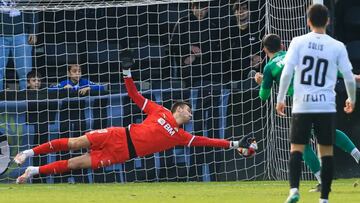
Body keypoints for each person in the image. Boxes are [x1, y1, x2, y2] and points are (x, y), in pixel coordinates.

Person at [14, 50, 257, 184]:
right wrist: (127, 71)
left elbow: (208, 141)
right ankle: (28, 153)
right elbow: (134, 94)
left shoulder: (181, 136)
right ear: (178, 109)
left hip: (120, 153)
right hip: (118, 133)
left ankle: (33, 171)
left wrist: (235, 144)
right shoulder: (158, 110)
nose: (190, 112)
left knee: (75, 164)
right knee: (75, 142)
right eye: (188, 109)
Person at [255, 33, 360, 193]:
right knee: (328, 133)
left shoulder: (269, 67)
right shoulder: (296, 54)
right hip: (322, 94)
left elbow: (264, 96)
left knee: (301, 144)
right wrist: (350, 76)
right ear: (283, 46)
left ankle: (323, 182)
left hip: (303, 101)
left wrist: (261, 82)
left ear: (264, 50)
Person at [275, 4, 356, 203]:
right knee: (326, 152)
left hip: (302, 105)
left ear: (308, 21)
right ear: (328, 21)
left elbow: (286, 73)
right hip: (325, 107)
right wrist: (351, 98)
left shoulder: (298, 42)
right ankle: (324, 199)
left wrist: (280, 98)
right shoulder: (337, 46)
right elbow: (348, 76)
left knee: (296, 149)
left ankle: (294, 190)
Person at [49, 64, 105, 183]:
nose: (77, 73)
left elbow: (101, 87)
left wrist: (90, 88)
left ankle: (82, 177)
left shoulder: (85, 82)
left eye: (79, 71)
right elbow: (50, 89)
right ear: (69, 73)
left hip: (81, 119)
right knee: (64, 145)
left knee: (81, 145)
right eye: (74, 71)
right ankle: (61, 176)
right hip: (65, 119)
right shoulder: (64, 83)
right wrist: (62, 89)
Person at [169, 0, 222, 87]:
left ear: (207, 9)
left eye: (203, 9)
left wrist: (199, 54)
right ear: (192, 8)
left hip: (208, 62)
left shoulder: (212, 25)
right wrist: (189, 48)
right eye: (197, 8)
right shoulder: (183, 22)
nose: (200, 12)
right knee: (190, 71)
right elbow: (173, 45)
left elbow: (216, 47)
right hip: (187, 63)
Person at [0, 2, 37, 90]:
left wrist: (33, 30)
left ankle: (26, 99)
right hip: (1, 34)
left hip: (21, 33)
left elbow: (32, 7)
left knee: (25, 72)